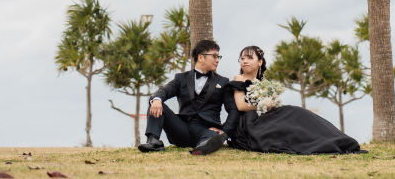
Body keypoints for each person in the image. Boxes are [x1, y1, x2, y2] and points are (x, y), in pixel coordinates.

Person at [228, 45, 365, 154]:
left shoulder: (262, 83)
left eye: (249, 58)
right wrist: (266, 105)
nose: (245, 61)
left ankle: (336, 139)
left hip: (264, 116)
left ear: (260, 62)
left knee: (297, 113)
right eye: (242, 58)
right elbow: (241, 106)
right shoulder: (239, 78)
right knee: (291, 116)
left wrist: (271, 103)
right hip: (250, 122)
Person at [138, 39, 239, 155]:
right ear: (201, 57)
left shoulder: (223, 81)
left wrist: (224, 131)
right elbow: (164, 91)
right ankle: (153, 141)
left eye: (218, 57)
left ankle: (202, 147)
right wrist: (157, 100)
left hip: (206, 130)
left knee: (210, 137)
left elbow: (233, 109)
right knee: (156, 102)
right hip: (182, 130)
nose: (217, 60)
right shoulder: (181, 78)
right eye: (214, 56)